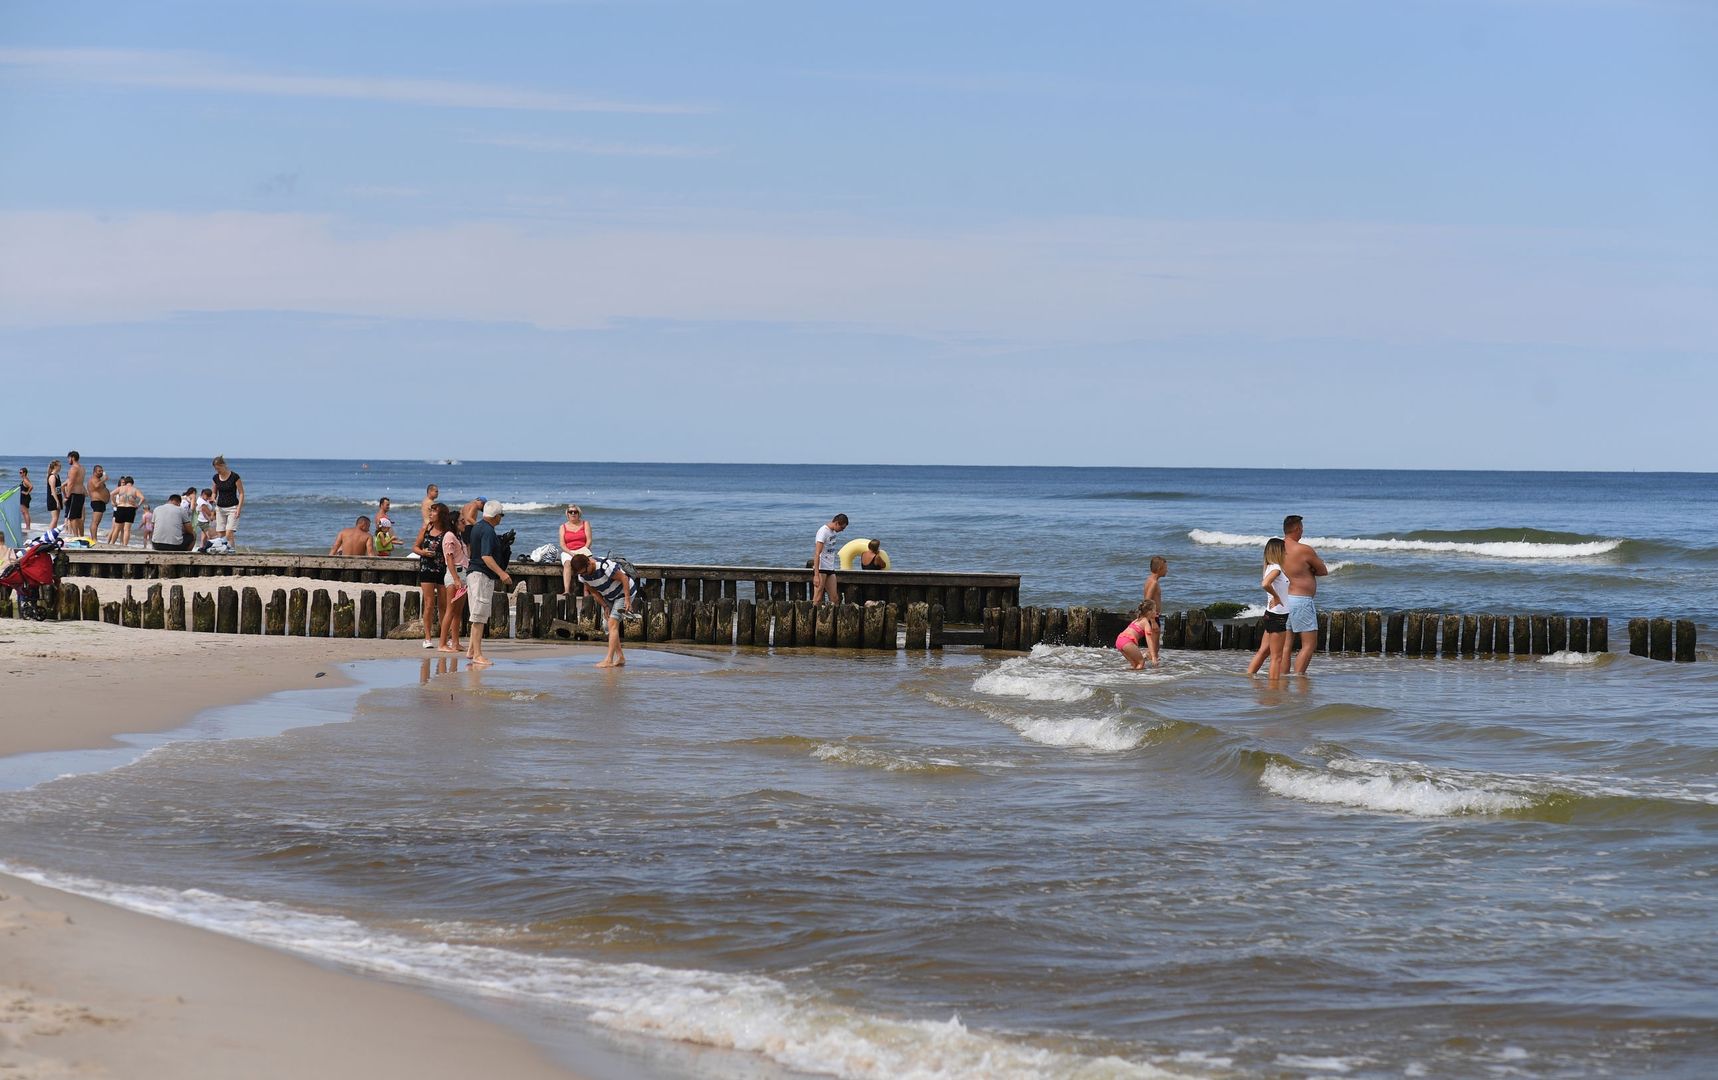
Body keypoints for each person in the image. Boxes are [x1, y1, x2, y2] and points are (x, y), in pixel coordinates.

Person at [464, 501, 513, 667]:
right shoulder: (488, 531)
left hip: (473, 574)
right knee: (479, 617)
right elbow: (486, 556)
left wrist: (502, 543)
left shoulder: (477, 527)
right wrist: (502, 573)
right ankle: (478, 655)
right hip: (481, 575)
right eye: (501, 516)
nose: (501, 519)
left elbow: (475, 550)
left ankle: (471, 650)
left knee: (477, 614)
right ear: (496, 516)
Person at [568, 552, 635, 668]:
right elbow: (593, 592)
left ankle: (609, 660)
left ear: (589, 563)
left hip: (624, 593)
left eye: (584, 571)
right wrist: (605, 606)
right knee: (607, 626)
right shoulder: (582, 576)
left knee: (612, 623)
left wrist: (627, 601)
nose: (584, 575)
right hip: (609, 596)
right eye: (580, 573)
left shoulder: (605, 567)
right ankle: (620, 657)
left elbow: (624, 578)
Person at [1281, 514, 1330, 674]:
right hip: (1300, 600)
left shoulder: (1276, 548)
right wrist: (1309, 570)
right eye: (1301, 528)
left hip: (1282, 600)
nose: (1302, 531)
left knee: (1286, 645)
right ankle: (1299, 677)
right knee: (1309, 644)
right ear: (1296, 529)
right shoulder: (1303, 550)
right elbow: (1323, 570)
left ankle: (1283, 678)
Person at [1246, 537, 1294, 680]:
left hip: (1270, 614)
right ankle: (1273, 688)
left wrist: (1276, 595)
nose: (1286, 552)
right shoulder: (1277, 569)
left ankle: (1249, 677)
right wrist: (1277, 596)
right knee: (1277, 657)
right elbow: (1265, 584)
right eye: (1284, 549)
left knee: (1264, 651)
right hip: (1277, 617)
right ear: (1278, 551)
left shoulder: (1270, 566)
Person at [411, 508, 448, 650]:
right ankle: (427, 638)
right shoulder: (425, 529)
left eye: (433, 512)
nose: (430, 514)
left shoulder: (447, 532)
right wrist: (423, 552)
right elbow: (415, 547)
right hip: (426, 568)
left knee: (443, 605)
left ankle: (444, 638)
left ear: (441, 515)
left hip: (442, 570)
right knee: (429, 603)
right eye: (430, 512)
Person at [435, 503, 469, 654]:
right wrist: (456, 579)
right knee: (450, 610)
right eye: (462, 521)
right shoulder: (449, 536)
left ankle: (455, 642)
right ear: (455, 522)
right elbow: (449, 559)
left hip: (463, 574)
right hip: (454, 574)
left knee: (458, 611)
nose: (465, 523)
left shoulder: (458, 537)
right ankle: (442, 643)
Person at [811, 513, 847, 605]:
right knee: (817, 598)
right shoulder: (823, 531)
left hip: (830, 568)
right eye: (842, 528)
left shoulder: (833, 531)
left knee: (835, 598)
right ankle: (813, 618)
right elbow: (817, 553)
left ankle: (834, 618)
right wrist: (816, 575)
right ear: (836, 523)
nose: (842, 530)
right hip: (821, 568)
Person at [1116, 599, 1160, 670]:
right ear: (1150, 612)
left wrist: (1153, 620)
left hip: (1119, 640)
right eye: (1155, 610)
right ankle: (1136, 680)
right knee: (1141, 662)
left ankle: (1129, 678)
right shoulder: (1145, 622)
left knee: (1134, 664)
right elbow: (1149, 640)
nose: (1156, 612)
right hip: (1127, 642)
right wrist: (1154, 656)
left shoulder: (1137, 620)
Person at [558, 505, 593, 595]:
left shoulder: (585, 524)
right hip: (568, 551)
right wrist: (571, 553)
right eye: (571, 512)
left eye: (575, 512)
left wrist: (583, 551)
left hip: (583, 549)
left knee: (588, 564)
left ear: (579, 514)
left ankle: (586, 591)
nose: (573, 513)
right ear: (568, 515)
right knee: (567, 563)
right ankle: (566, 590)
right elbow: (562, 544)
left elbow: (589, 540)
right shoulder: (563, 527)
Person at [211, 456, 244, 547]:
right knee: (220, 533)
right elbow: (214, 492)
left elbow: (241, 493)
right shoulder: (215, 478)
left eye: (218, 468)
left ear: (223, 465)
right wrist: (213, 498)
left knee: (229, 532)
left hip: (233, 507)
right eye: (215, 469)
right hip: (220, 508)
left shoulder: (234, 477)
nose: (217, 471)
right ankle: (226, 550)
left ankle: (230, 550)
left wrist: (239, 509)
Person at [64, 451, 85, 538]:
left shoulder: (73, 468)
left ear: (72, 457)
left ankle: (76, 537)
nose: (68, 460)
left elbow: (71, 483)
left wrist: (67, 496)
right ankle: (81, 536)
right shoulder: (82, 468)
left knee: (72, 518)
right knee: (78, 517)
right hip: (81, 494)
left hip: (74, 495)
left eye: (68, 458)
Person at [86, 465, 111, 541]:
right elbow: (96, 486)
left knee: (97, 522)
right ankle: (94, 539)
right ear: (94, 472)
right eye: (99, 471)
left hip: (101, 502)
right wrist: (103, 480)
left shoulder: (98, 479)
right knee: (95, 522)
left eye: (102, 471)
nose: (101, 472)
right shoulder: (93, 479)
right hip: (97, 501)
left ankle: (94, 538)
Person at [44, 459, 61, 531]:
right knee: (54, 518)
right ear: (55, 466)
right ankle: (48, 535)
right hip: (53, 499)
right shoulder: (52, 477)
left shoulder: (57, 476)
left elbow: (58, 489)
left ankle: (53, 535)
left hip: (58, 497)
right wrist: (57, 501)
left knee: (56, 519)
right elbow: (53, 491)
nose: (60, 467)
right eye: (59, 466)